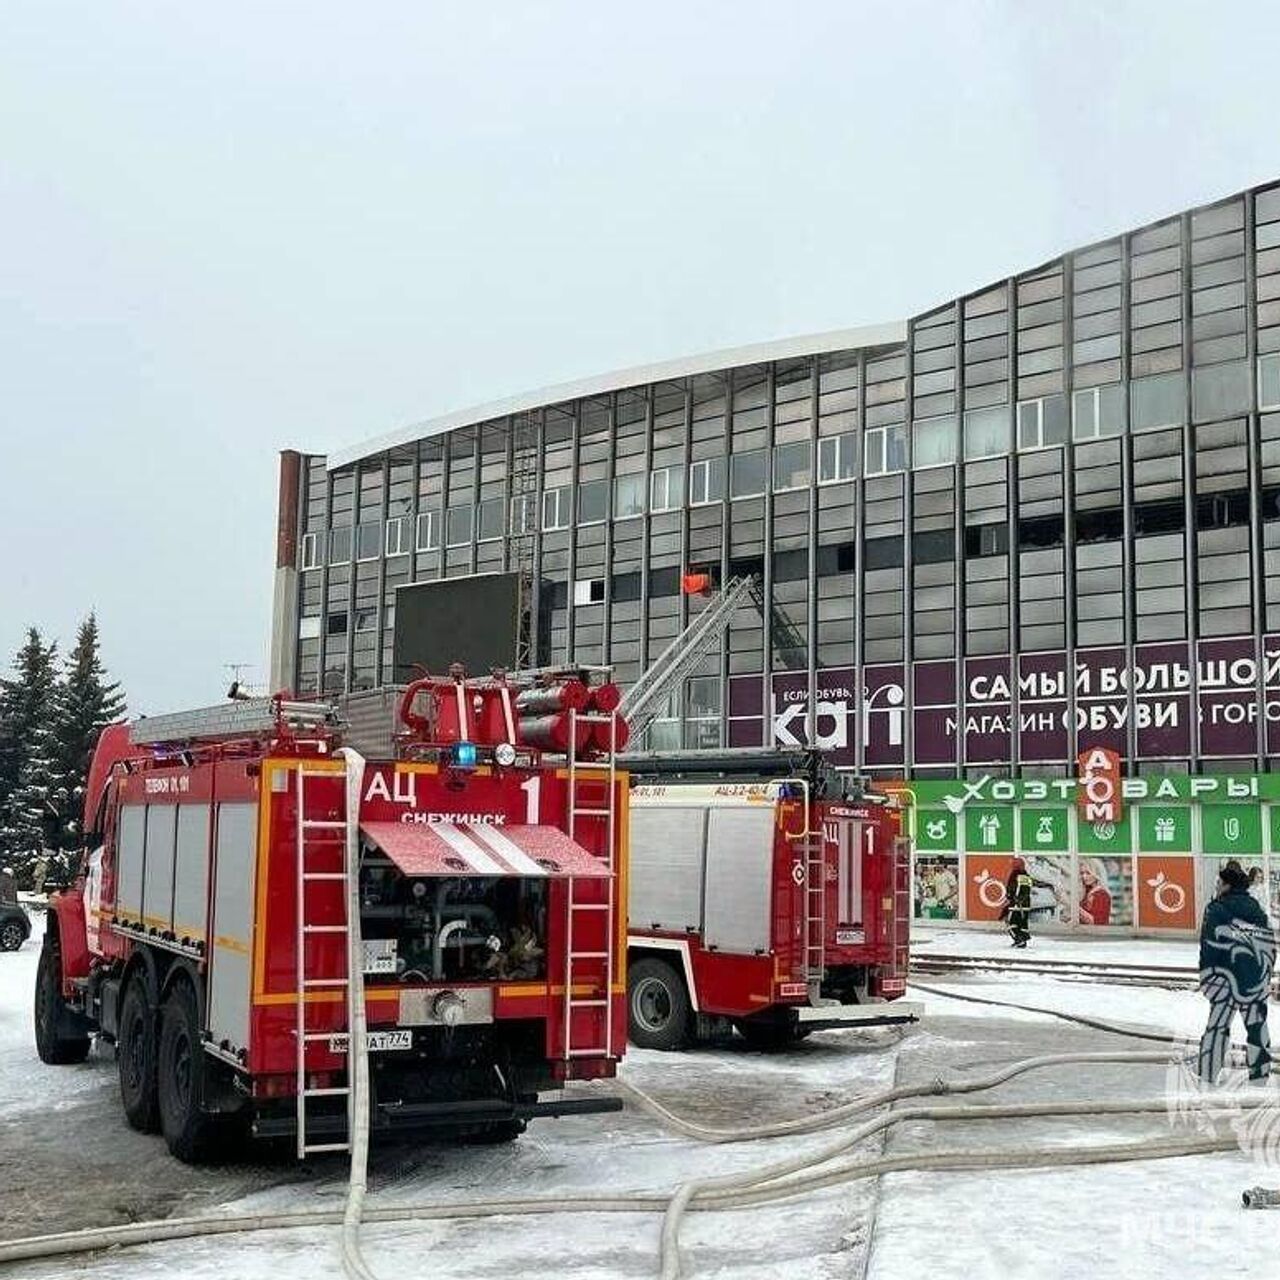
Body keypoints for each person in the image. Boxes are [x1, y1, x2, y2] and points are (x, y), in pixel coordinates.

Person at [1197, 861, 1275, 1084]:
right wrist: (1265, 973)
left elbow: (1209, 946)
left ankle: (1207, 1074)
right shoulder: (1256, 910)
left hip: (1224, 979)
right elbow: (1270, 945)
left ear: (1227, 884)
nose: (1218, 885)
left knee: (1218, 1026)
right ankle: (1259, 1077)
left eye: (1220, 882)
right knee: (1256, 1027)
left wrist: (1206, 977)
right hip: (1253, 980)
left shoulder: (1216, 909)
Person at [1000, 858, 1039, 947]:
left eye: (1013, 864)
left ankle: (1018, 939)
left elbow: (1012, 888)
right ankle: (1023, 940)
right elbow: (1027, 889)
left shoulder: (1015, 875)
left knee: (1010, 921)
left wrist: (1010, 897)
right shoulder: (1026, 876)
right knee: (1022, 922)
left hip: (1016, 903)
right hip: (1026, 903)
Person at [1078, 859, 1113, 926]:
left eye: (1088, 873)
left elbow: (1095, 922)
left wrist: (1074, 907)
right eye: (1082, 873)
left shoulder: (1102, 895)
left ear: (1097, 874)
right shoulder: (1088, 892)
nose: (1084, 877)